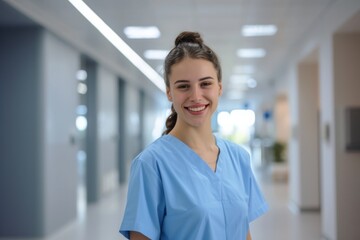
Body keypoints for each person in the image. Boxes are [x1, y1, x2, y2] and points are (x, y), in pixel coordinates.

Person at [119, 31, 268, 240]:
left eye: (205, 83)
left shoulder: (238, 158)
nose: (196, 96)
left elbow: (244, 233)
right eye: (183, 86)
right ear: (169, 92)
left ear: (219, 88)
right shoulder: (151, 165)